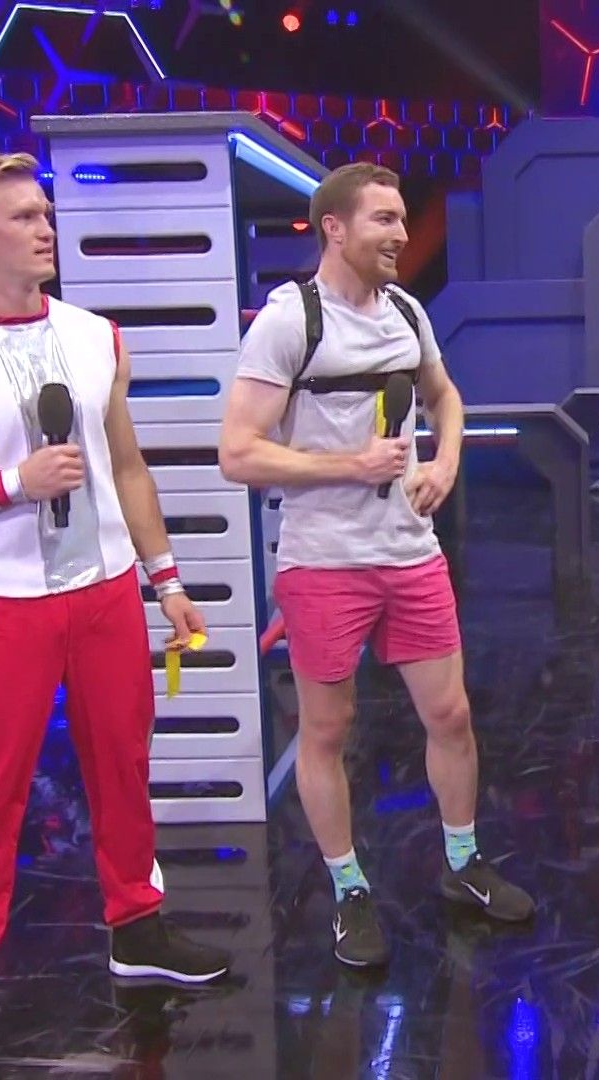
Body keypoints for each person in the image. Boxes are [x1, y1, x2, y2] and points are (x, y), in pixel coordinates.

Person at [0, 147, 232, 1079]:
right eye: (23, 215)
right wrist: (7, 485)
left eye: (46, 212)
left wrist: (167, 578)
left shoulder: (97, 336)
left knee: (125, 765)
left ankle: (138, 929)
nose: (44, 228)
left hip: (105, 591)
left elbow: (127, 467)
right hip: (0, 604)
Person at [219, 162, 534, 968]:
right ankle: (349, 889)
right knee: (329, 729)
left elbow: (445, 396)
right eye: (384, 220)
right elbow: (237, 453)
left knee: (451, 715)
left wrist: (447, 461)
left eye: (401, 219)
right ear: (334, 228)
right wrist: (347, 466)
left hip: (409, 554)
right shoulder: (288, 322)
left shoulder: (405, 311)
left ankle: (462, 863)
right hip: (324, 564)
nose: (401, 234)